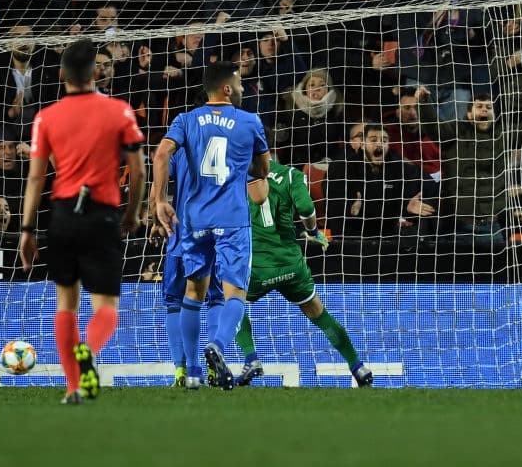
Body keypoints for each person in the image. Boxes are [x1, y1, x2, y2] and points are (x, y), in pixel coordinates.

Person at [19, 39, 147, 405]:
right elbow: (138, 171)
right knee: (105, 305)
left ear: (62, 76)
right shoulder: (120, 112)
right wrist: (132, 213)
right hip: (102, 214)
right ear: (95, 72)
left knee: (66, 304)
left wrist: (27, 231)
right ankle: (89, 350)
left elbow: (36, 178)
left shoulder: (46, 116)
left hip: (61, 216)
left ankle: (73, 387)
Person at [152, 60, 271, 391]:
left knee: (193, 292)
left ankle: (191, 372)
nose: (245, 89)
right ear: (228, 88)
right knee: (235, 293)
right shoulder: (249, 121)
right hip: (231, 218)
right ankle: (217, 344)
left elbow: (161, 156)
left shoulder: (185, 120)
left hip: (193, 219)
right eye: (241, 84)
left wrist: (159, 200)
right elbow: (262, 170)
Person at [233, 157, 372, 388]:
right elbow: (307, 208)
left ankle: (251, 358)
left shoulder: (235, 177)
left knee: (230, 300)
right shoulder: (291, 175)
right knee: (320, 314)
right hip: (291, 266)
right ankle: (357, 366)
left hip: (256, 267)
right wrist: (314, 231)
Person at [159, 149, 225, 389]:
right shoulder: (230, 141)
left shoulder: (182, 144)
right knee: (216, 298)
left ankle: (181, 369)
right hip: (217, 236)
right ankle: (214, 363)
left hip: (181, 236)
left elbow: (161, 164)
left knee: (175, 302)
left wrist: (158, 201)